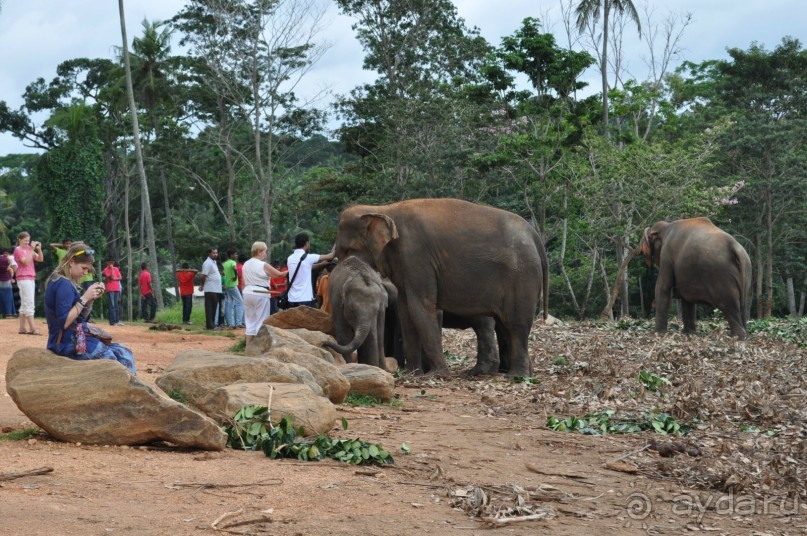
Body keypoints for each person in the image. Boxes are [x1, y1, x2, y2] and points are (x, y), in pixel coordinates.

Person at [44, 243, 136, 374]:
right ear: (72, 262)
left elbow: (80, 318)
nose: (85, 272)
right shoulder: (63, 284)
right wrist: (85, 297)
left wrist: (90, 300)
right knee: (112, 360)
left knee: (124, 353)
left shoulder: (62, 281)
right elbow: (64, 322)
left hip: (75, 337)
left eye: (88, 269)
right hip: (68, 343)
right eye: (84, 268)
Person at [243, 241, 287, 348]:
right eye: (265, 251)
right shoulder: (263, 264)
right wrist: (295, 269)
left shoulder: (246, 264)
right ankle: (259, 348)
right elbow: (279, 275)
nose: (265, 254)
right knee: (261, 321)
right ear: (259, 251)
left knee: (250, 321)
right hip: (260, 293)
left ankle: (248, 347)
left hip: (247, 292)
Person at [286, 233, 335, 309]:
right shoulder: (309, 258)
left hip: (292, 299)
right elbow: (331, 256)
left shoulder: (290, 258)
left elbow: (306, 267)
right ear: (306, 243)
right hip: (305, 299)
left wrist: (321, 264)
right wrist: (337, 242)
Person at [14, 232, 44, 335]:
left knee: (24, 304)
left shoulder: (28, 249)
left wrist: (39, 249)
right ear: (20, 240)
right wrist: (32, 249)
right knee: (29, 302)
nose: (27, 242)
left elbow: (40, 259)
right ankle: (32, 328)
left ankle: (22, 328)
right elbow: (25, 262)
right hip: (23, 278)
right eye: (25, 240)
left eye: (28, 240)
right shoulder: (18, 250)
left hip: (30, 277)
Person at [198, 248, 222, 330]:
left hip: (215, 289)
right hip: (210, 289)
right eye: (213, 253)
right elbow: (203, 276)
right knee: (210, 307)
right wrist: (201, 285)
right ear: (209, 253)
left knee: (214, 307)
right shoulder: (207, 263)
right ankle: (210, 325)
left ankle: (212, 324)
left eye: (216, 253)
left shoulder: (213, 262)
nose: (215, 254)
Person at [222, 248, 244, 328]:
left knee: (229, 304)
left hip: (227, 285)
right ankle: (238, 323)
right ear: (231, 255)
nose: (236, 256)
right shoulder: (233, 262)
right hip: (233, 285)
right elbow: (234, 268)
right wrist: (235, 276)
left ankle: (230, 323)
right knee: (240, 302)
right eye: (235, 254)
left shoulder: (224, 263)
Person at [102, 259, 123, 326]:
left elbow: (120, 277)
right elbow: (112, 277)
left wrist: (114, 279)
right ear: (107, 263)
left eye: (112, 262)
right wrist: (111, 269)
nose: (111, 264)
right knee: (112, 305)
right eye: (110, 262)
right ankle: (112, 322)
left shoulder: (116, 268)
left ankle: (117, 321)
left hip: (117, 288)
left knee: (116, 305)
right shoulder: (106, 270)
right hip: (110, 289)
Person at [0, 248, 16, 318]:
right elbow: (10, 270)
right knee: (8, 297)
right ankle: (8, 314)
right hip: (6, 280)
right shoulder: (7, 259)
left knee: (1, 297)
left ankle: (3, 313)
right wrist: (9, 266)